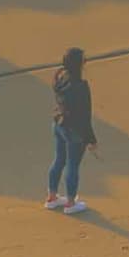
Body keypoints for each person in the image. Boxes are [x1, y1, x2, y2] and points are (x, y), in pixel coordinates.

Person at [46, 46, 97, 213]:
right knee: (72, 165)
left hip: (59, 125)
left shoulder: (60, 79)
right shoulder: (81, 87)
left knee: (59, 160)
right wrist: (91, 140)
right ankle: (70, 203)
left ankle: (52, 198)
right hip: (74, 130)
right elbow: (85, 116)